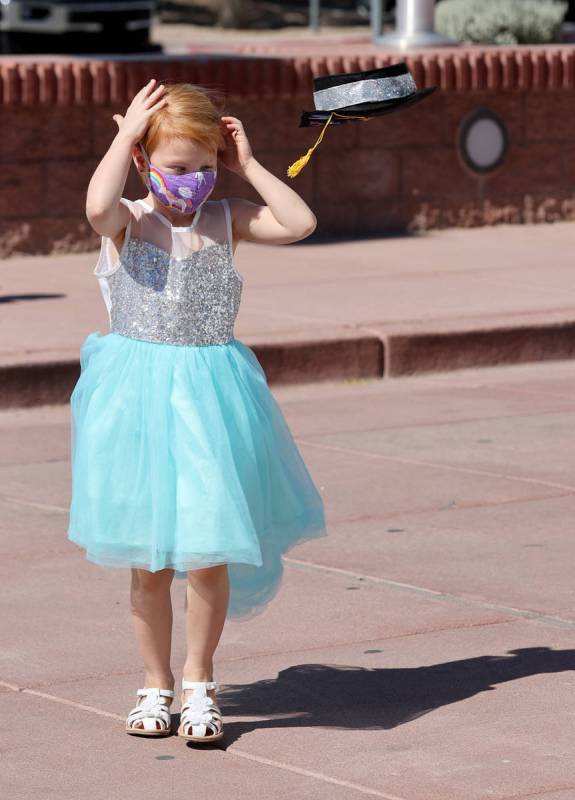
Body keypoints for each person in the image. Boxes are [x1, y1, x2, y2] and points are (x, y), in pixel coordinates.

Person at [66, 78, 327, 743]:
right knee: (148, 561)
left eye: (204, 167)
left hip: (212, 400)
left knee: (208, 552)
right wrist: (124, 139)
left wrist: (249, 166)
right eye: (179, 168)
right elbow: (96, 209)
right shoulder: (130, 219)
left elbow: (299, 224)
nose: (193, 181)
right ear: (146, 164)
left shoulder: (227, 217)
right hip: (138, 403)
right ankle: (154, 684)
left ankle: (199, 681)